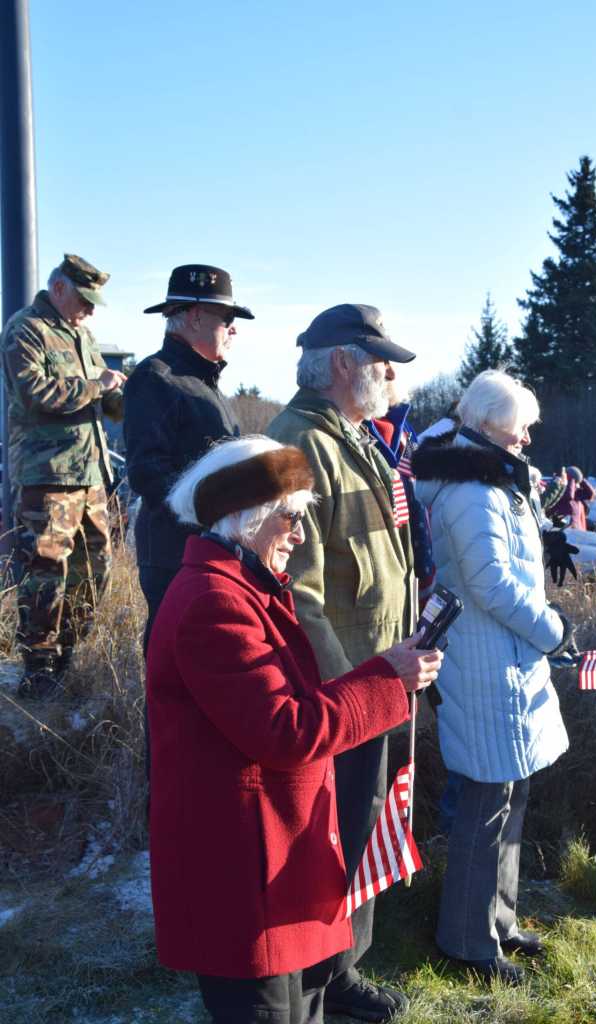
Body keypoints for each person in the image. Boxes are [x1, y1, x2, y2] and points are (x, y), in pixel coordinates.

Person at [146, 435, 443, 1024]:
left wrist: (384, 674)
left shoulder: (241, 588)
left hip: (272, 859)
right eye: (291, 517)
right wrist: (388, 680)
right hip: (241, 874)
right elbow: (286, 730)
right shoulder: (214, 603)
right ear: (244, 518)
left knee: (301, 1006)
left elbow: (291, 702)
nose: (301, 535)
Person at [267, 304, 417, 1022]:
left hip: (376, 679)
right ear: (339, 364)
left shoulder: (352, 438)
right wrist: (341, 694)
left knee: (358, 836)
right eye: (380, 358)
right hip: (343, 692)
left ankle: (341, 968)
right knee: (331, 843)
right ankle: (323, 979)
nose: (391, 373)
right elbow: (297, 593)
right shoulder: (297, 443)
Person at [412, 369, 573, 985]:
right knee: (484, 805)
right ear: (485, 427)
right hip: (486, 667)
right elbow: (493, 586)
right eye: (519, 430)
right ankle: (467, 940)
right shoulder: (472, 492)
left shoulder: (490, 479)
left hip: (506, 662)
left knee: (509, 797)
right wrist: (554, 629)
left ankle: (498, 920)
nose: (526, 440)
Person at [1, 254, 126, 699]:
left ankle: (69, 652)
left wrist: (118, 395)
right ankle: (39, 665)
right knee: (46, 569)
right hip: (48, 472)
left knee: (97, 566)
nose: (90, 310)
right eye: (85, 299)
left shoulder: (83, 335)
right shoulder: (26, 329)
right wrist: (98, 385)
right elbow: (35, 393)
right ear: (58, 289)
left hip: (89, 470)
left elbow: (99, 403)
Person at [123, 264, 254, 649]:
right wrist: (216, 506)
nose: (234, 329)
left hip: (209, 552)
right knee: (174, 670)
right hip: (175, 556)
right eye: (227, 317)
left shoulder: (204, 384)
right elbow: (147, 474)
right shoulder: (155, 378)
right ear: (195, 316)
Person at [367, 380, 435, 607]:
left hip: (415, 563)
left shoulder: (404, 430)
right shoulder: (360, 431)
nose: (391, 373)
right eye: (382, 361)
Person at [548, 465, 596, 530]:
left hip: (577, 531)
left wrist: (581, 479)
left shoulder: (577, 494)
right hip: (562, 531)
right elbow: (569, 496)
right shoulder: (559, 492)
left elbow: (591, 494)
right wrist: (571, 478)